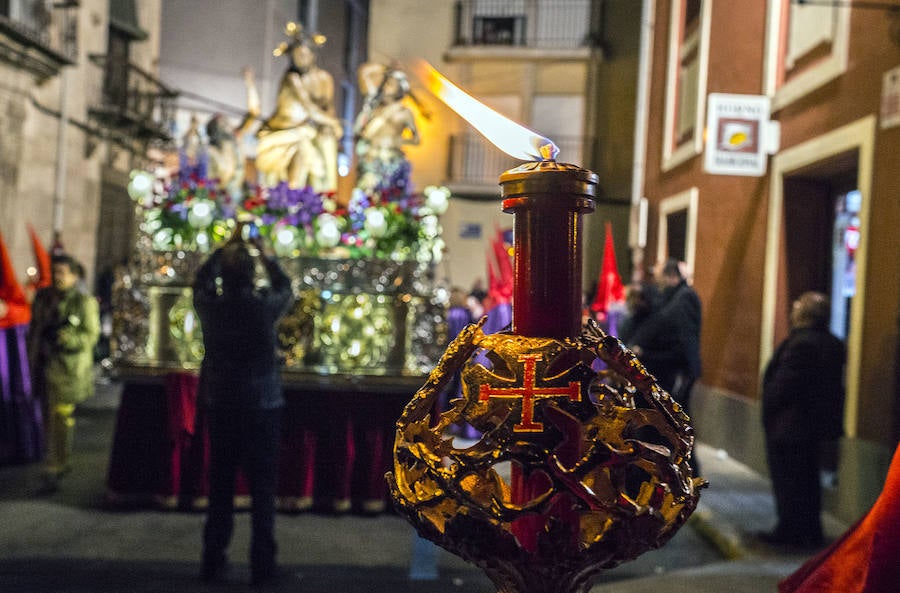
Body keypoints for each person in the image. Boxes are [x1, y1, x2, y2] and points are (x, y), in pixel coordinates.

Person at [193, 223, 294, 585]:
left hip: (221, 402)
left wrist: (223, 249)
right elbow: (285, 287)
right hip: (262, 404)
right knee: (262, 490)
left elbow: (199, 283)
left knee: (220, 485)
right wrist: (265, 252)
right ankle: (262, 565)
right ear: (253, 276)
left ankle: (212, 559)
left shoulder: (212, 308)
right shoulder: (263, 308)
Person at [759, 291, 845, 549]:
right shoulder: (832, 343)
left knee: (791, 482)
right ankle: (807, 531)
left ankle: (792, 532)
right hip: (811, 426)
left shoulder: (803, 344)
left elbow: (784, 385)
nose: (792, 309)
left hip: (792, 425)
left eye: (798, 306)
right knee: (807, 482)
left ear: (806, 314)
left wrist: (770, 404)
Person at [27, 253, 100, 490]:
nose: (57, 277)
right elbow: (35, 327)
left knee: (61, 416)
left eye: (62, 273)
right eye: (54, 272)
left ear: (74, 275)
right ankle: (53, 459)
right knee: (48, 417)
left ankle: (56, 464)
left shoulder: (83, 302)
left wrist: (67, 338)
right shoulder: (43, 298)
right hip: (43, 366)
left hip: (67, 369)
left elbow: (90, 336)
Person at [247, 25, 342, 192]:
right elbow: (310, 108)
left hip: (306, 129)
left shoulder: (324, 78)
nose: (300, 59)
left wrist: (330, 124)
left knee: (324, 141)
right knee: (303, 151)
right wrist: (335, 123)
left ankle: (327, 193)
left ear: (313, 55)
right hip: (283, 130)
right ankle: (295, 198)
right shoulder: (292, 78)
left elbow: (328, 108)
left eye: (304, 55)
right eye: (296, 56)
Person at [353, 64, 420, 190]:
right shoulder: (375, 108)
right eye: (386, 84)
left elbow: (417, 138)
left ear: (399, 89)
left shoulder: (404, 112)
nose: (385, 88)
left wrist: (400, 141)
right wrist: (384, 68)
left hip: (392, 159)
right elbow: (364, 72)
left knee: (389, 196)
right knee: (366, 192)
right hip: (371, 157)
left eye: (390, 85)